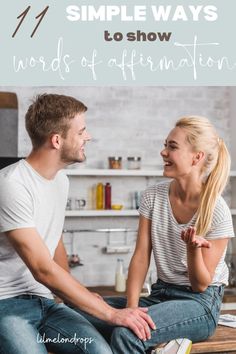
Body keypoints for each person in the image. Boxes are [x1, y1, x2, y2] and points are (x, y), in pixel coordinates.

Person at [0, 93, 155, 354]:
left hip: (47, 303)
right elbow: (42, 269)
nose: (89, 137)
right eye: (81, 130)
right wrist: (110, 313)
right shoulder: (11, 184)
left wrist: (75, 295)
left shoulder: (61, 180)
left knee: (99, 351)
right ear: (57, 140)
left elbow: (53, 239)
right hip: (7, 305)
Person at [76, 116, 235, 354]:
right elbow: (141, 256)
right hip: (160, 294)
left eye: (172, 147)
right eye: (165, 145)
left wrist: (192, 250)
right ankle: (165, 345)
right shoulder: (153, 196)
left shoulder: (216, 209)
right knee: (75, 310)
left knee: (127, 334)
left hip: (199, 304)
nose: (163, 152)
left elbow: (200, 284)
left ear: (197, 157)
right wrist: (129, 310)